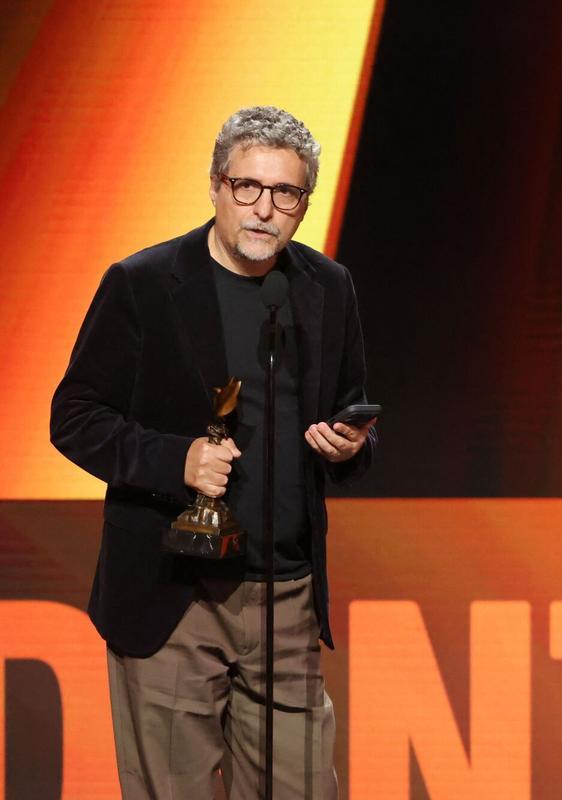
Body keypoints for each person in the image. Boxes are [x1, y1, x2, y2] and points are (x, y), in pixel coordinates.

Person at [50, 106, 377, 798]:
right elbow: (74, 418)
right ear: (215, 187)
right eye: (247, 187)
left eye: (285, 194)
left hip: (284, 596)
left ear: (302, 205)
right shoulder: (142, 284)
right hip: (175, 595)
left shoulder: (327, 287)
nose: (264, 210)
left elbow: (351, 413)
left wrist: (348, 445)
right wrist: (176, 461)